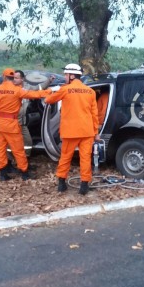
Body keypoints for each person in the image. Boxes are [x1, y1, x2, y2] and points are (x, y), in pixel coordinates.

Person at [44, 63, 99, 195]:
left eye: (66, 75)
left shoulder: (65, 90)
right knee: (85, 158)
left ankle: (62, 184)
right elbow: (94, 114)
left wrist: (50, 91)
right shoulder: (90, 92)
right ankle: (84, 185)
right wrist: (96, 133)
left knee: (65, 157)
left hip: (70, 132)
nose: (64, 77)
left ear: (72, 76)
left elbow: (48, 100)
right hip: (87, 131)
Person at [0, 68, 50, 181]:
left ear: (4, 76)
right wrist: (48, 92)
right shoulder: (17, 90)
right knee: (18, 150)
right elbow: (34, 95)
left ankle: (3, 174)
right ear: (12, 78)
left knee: (1, 149)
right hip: (11, 124)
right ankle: (24, 173)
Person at [13, 70, 33, 157]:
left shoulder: (26, 89)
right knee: (13, 143)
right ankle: (13, 160)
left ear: (22, 79)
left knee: (28, 142)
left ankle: (25, 158)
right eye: (13, 78)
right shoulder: (11, 90)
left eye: (16, 78)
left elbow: (38, 89)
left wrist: (49, 81)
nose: (14, 80)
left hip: (22, 122)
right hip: (13, 123)